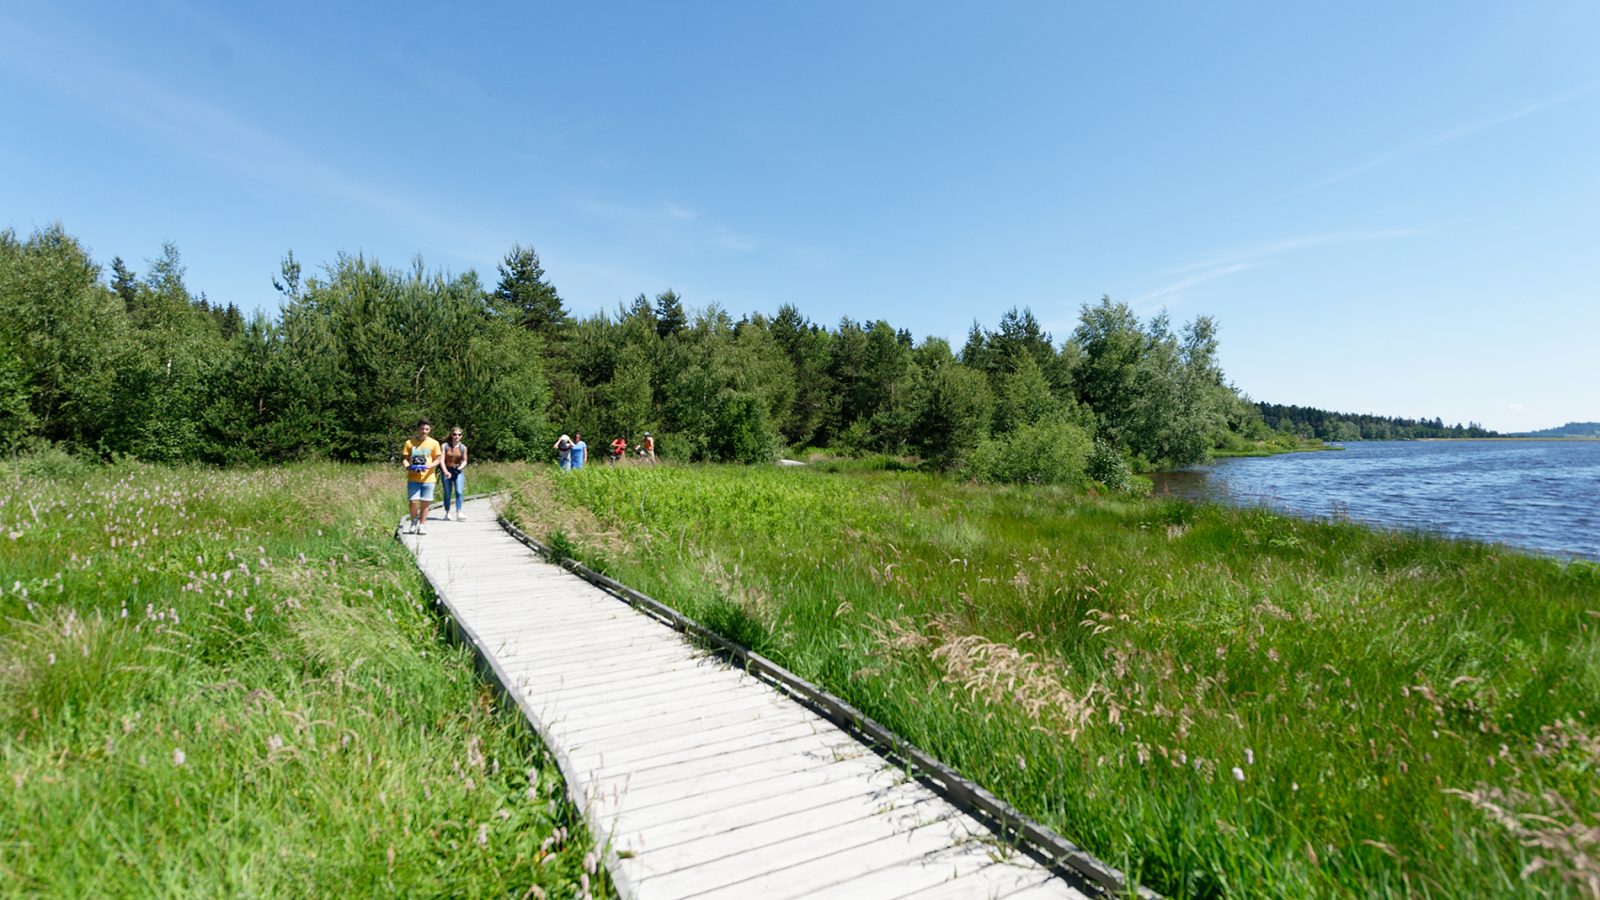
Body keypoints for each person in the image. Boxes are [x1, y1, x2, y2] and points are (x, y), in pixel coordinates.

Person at [402, 418, 442, 534]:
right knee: (413, 502)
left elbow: (438, 459)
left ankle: (422, 524)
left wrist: (430, 466)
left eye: (426, 429)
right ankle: (414, 520)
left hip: (428, 478)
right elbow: (405, 459)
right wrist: (408, 466)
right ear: (417, 429)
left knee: (425, 502)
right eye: (422, 429)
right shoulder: (409, 443)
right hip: (413, 477)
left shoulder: (434, 443)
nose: (424, 431)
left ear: (429, 430)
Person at [440, 426, 468, 520]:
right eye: (454, 434)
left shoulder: (463, 447)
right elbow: (441, 460)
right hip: (447, 470)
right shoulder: (445, 446)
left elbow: (465, 460)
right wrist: (445, 471)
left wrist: (459, 469)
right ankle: (447, 512)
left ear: (461, 436)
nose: (456, 436)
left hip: (457, 471)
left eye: (459, 435)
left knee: (459, 491)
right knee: (447, 492)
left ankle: (459, 512)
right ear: (451, 435)